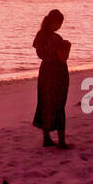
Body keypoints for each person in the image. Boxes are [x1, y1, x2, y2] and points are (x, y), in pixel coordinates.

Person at [32, 8, 71, 148]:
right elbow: (62, 58)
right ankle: (61, 141)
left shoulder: (40, 36)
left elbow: (40, 54)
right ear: (54, 22)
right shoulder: (56, 38)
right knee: (59, 105)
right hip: (57, 71)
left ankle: (46, 138)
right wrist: (67, 45)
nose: (59, 26)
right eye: (59, 23)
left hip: (44, 71)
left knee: (45, 103)